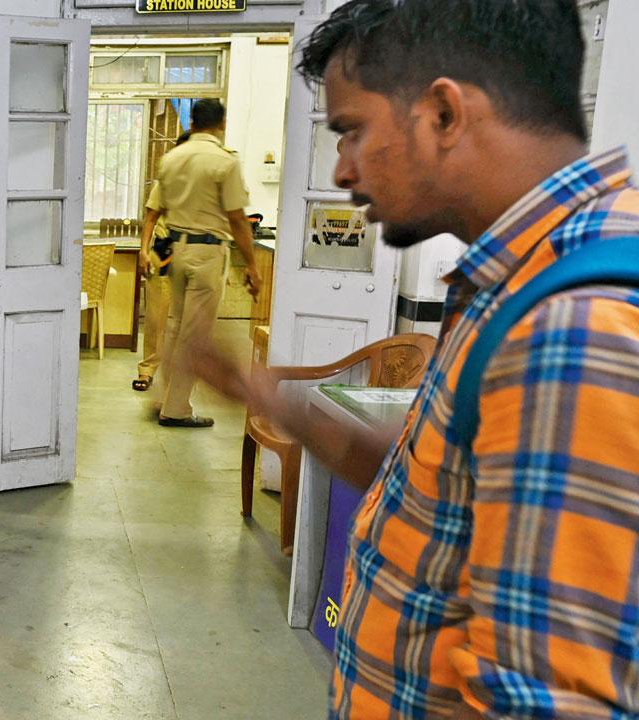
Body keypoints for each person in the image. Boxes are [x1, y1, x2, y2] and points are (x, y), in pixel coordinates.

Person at [182, 1, 639, 717]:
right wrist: (275, 401)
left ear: (446, 115)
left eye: (352, 131)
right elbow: (452, 481)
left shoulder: (571, 330)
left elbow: (547, 700)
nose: (338, 170)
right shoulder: (520, 282)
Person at [143, 98, 260, 428]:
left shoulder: (171, 159)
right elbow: (237, 219)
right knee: (194, 335)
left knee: (175, 326)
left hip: (176, 251)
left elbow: (157, 209)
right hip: (207, 253)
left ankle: (167, 398)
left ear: (191, 123)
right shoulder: (225, 162)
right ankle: (176, 409)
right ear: (221, 124)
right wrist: (251, 264)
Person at [133, 130, 190, 392]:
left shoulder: (213, 181)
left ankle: (180, 376)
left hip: (196, 257)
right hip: (165, 253)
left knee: (188, 321)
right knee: (157, 318)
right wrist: (143, 251)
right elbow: (152, 217)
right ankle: (147, 370)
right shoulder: (166, 181)